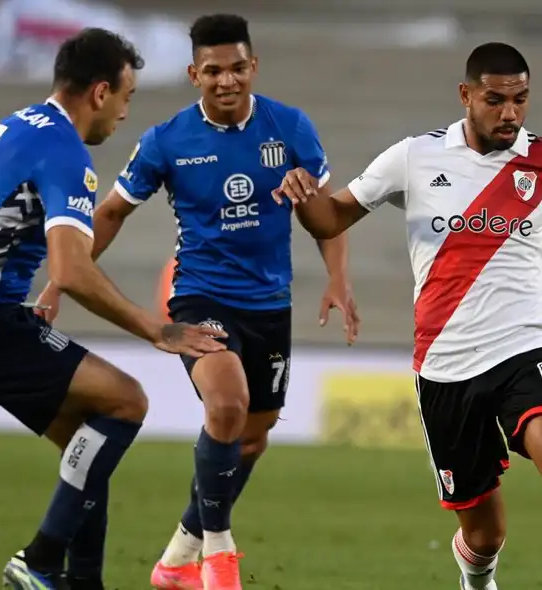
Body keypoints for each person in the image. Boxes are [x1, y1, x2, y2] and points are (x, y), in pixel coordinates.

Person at [275, 42, 542, 590]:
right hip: (446, 365)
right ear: (466, 95)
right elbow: (331, 220)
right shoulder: (414, 158)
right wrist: (304, 197)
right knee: (484, 532)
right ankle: (476, 578)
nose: (510, 113)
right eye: (495, 100)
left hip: (524, 346)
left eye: (521, 99)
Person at [0, 28, 227, 590]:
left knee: (86, 438)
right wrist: (157, 329)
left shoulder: (17, 126)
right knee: (126, 401)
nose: (125, 113)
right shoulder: (66, 153)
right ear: (100, 92)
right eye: (125, 97)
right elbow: (72, 272)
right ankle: (41, 559)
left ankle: (82, 581)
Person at [37, 14, 358, 590]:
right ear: (194, 74)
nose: (227, 80)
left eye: (237, 67)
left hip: (269, 304)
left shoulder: (290, 128)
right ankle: (218, 556)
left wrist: (338, 278)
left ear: (253, 66)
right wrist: (62, 278)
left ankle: (175, 560)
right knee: (227, 404)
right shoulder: (167, 140)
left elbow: (326, 216)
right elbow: (109, 212)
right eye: (213, 70)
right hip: (198, 294)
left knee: (251, 438)